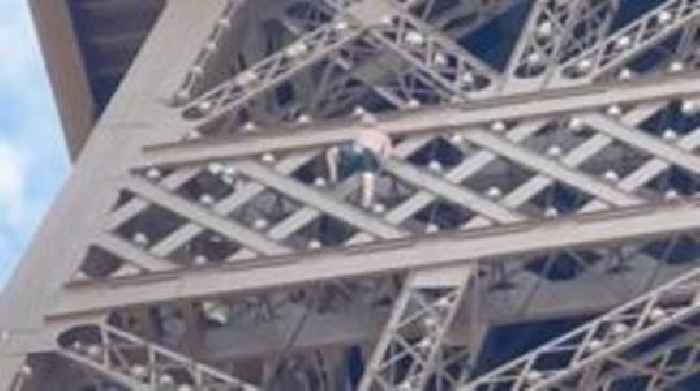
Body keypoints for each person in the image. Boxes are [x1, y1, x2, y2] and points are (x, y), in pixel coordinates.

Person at [326, 128, 393, 209]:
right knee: (368, 175)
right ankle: (366, 203)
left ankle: (334, 178)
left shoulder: (365, 135)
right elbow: (385, 157)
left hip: (358, 156)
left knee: (332, 152)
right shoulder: (383, 139)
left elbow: (355, 144)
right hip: (365, 158)